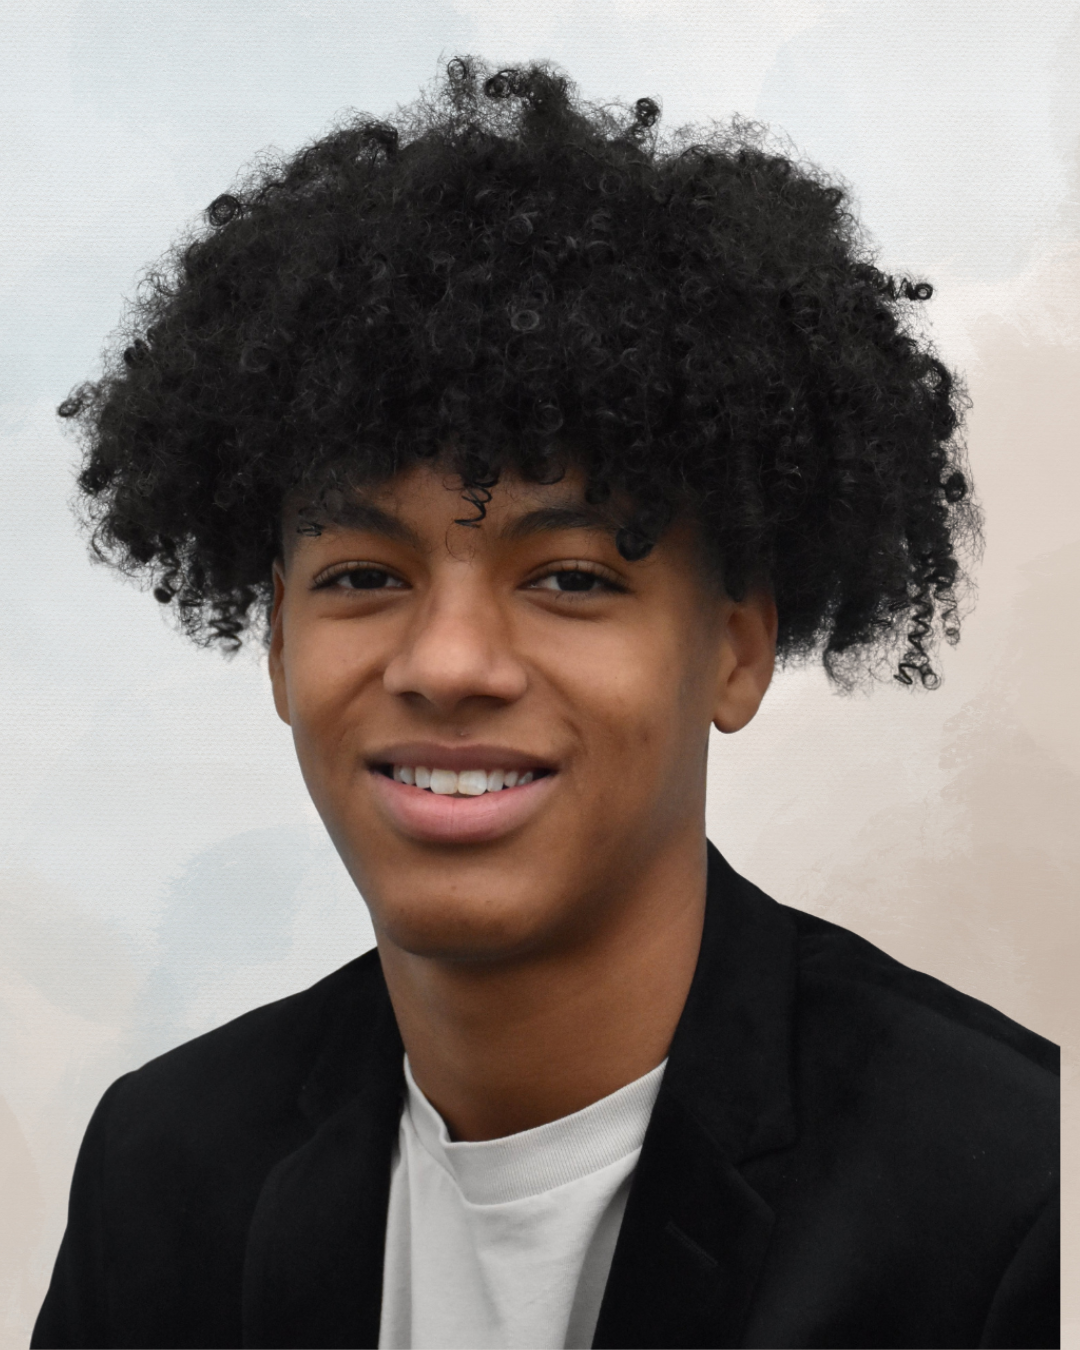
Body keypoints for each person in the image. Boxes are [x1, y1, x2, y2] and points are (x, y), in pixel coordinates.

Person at [32, 58, 1058, 1350]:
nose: (449, 661)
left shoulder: (1018, 1200)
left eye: (571, 575)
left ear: (735, 650)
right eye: (362, 574)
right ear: (280, 644)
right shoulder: (170, 1161)